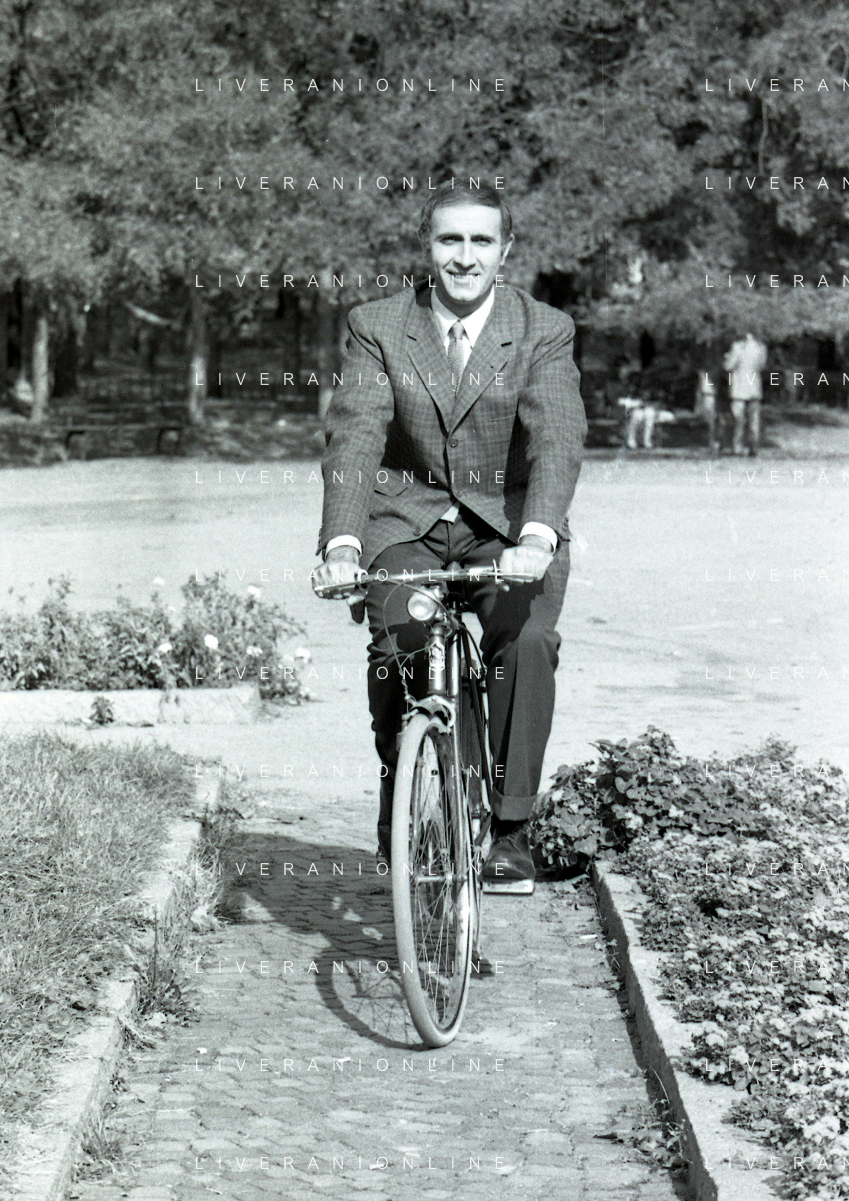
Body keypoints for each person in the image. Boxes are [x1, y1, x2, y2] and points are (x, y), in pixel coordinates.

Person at [311, 180, 587, 894]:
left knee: (525, 642)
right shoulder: (378, 324)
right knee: (399, 638)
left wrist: (538, 536)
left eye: (480, 241)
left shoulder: (542, 328)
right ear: (426, 246)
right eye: (449, 239)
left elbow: (557, 435)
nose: (465, 257)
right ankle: (400, 782)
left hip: (506, 528)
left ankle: (512, 827)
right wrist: (341, 545)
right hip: (406, 520)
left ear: (505, 250)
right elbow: (357, 435)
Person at [723, 331, 767, 456]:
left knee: (739, 420)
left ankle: (737, 446)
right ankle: (753, 446)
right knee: (754, 420)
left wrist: (727, 358)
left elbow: (728, 366)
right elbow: (762, 366)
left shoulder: (737, 347)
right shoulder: (761, 347)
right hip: (754, 388)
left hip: (739, 388)